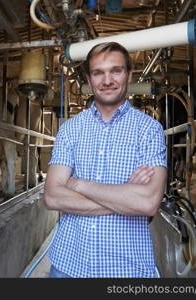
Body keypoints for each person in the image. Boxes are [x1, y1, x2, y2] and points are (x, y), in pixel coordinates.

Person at [44, 42, 167, 278]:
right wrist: (126, 198)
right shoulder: (70, 129)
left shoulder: (149, 130)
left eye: (116, 71)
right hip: (68, 263)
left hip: (126, 268)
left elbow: (149, 203)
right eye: (98, 73)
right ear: (89, 80)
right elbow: (52, 196)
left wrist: (78, 184)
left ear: (129, 75)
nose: (107, 80)